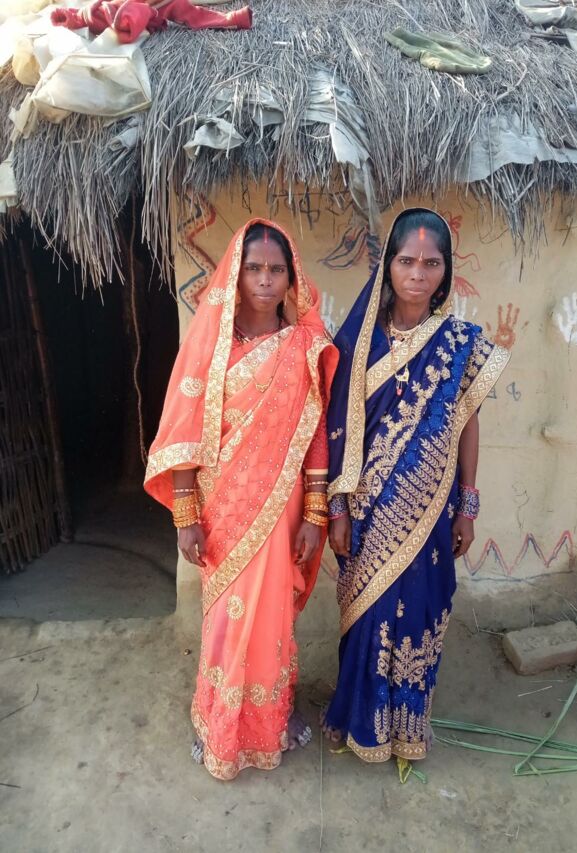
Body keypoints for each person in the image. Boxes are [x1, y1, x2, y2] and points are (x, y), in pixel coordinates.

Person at [144, 219, 337, 781]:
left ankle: (267, 720)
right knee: (227, 618)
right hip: (222, 509)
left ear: (292, 278)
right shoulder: (208, 348)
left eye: (276, 270)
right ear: (236, 273)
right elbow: (183, 435)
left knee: (272, 615)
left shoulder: (305, 346)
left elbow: (316, 433)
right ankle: (220, 722)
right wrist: (186, 515)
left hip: (282, 507)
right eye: (254, 268)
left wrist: (316, 513)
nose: (265, 280)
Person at [322, 208, 510, 771]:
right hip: (367, 509)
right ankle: (360, 723)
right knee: (368, 617)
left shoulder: (460, 343)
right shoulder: (356, 343)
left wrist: (468, 505)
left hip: (431, 512)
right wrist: (337, 508)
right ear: (388, 265)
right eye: (407, 261)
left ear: (446, 271)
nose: (418, 274)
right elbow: (335, 428)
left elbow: (467, 424)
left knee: (419, 613)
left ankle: (407, 729)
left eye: (432, 263)